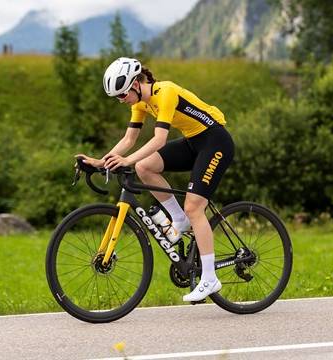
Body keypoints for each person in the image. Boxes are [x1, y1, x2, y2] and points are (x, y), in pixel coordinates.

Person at [77, 57, 234, 302]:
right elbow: (129, 140)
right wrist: (100, 161)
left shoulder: (166, 92)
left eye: (122, 94)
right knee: (145, 166)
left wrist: (125, 161)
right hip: (193, 142)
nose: (121, 100)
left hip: (216, 142)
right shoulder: (140, 103)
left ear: (137, 83)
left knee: (194, 206)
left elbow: (159, 140)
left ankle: (210, 279)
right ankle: (178, 218)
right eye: (117, 97)